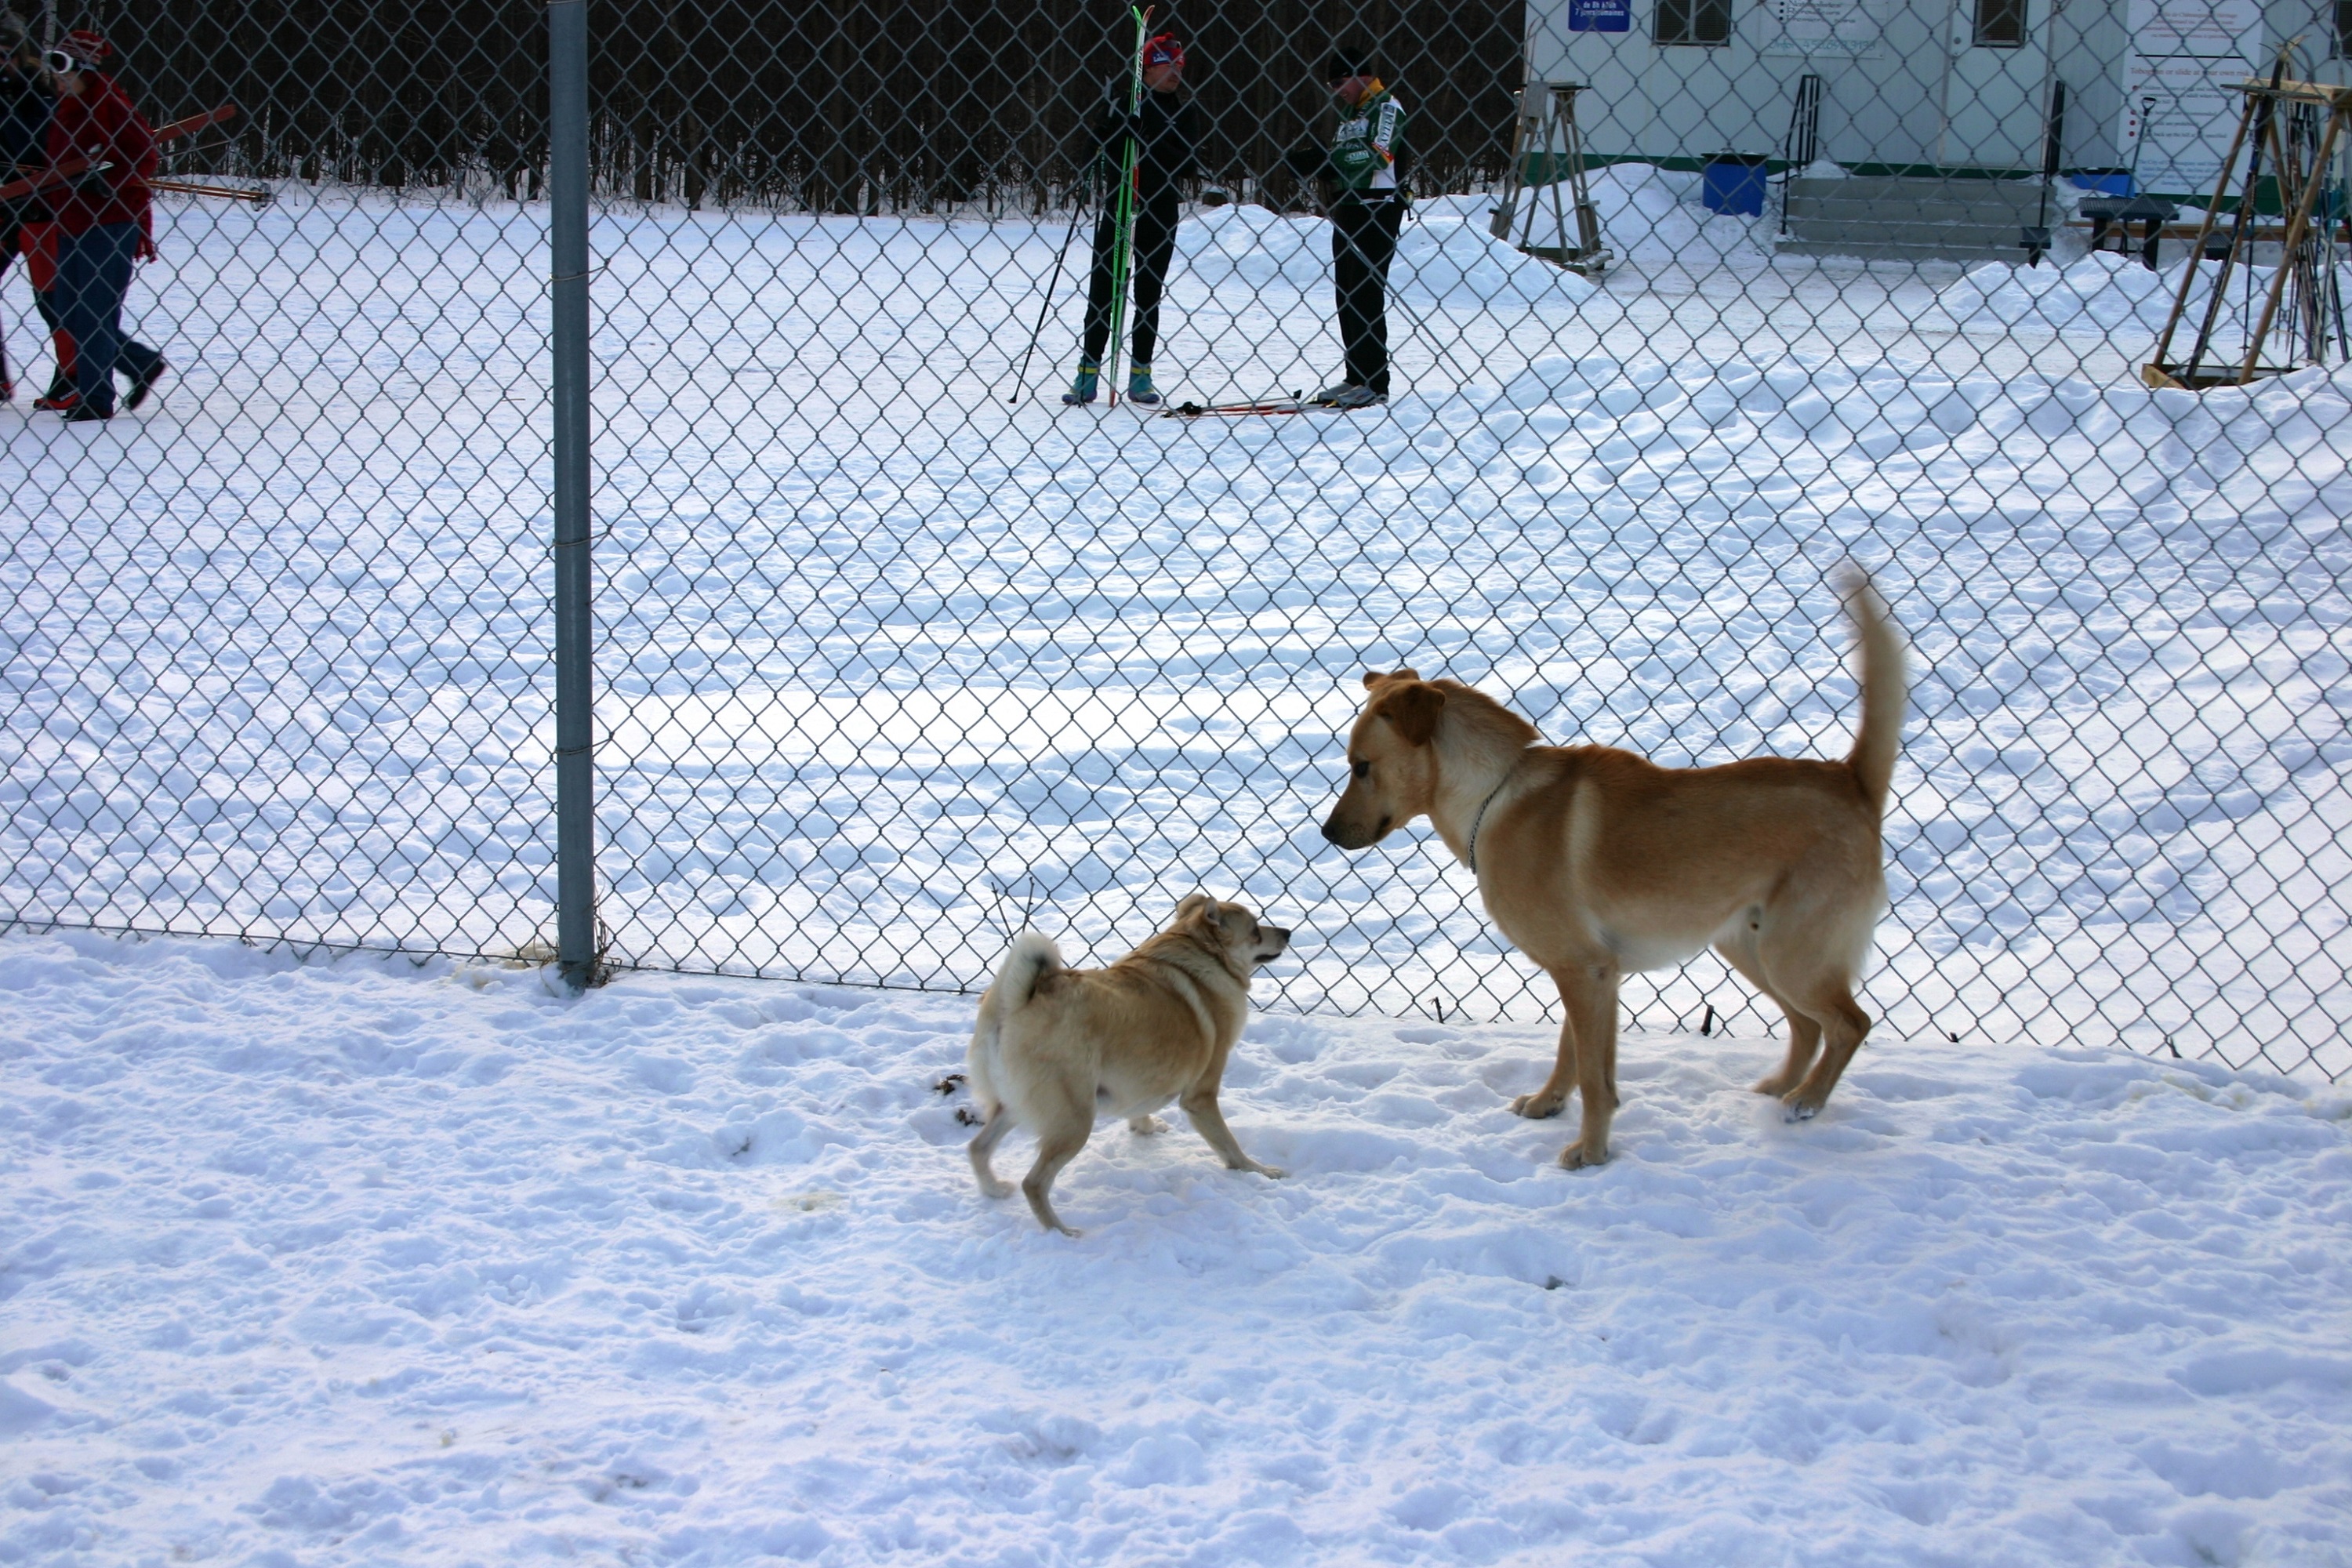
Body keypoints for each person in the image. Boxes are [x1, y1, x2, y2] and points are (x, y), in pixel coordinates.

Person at [1063, 32, 1197, 407]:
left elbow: (1187, 162)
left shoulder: (1183, 112)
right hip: (1121, 208)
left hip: (1160, 211)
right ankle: (1087, 374)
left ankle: (1141, 375)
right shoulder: (1125, 103)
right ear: (1147, 69)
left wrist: (1150, 138)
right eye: (1167, 66)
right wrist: (1114, 132)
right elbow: (1093, 152)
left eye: (1180, 66)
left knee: (1148, 294)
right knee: (1103, 291)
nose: (1176, 73)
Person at [42, 29, 164, 422]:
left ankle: (96, 398)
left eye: (65, 72)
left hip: (110, 223)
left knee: (94, 312)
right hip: (71, 222)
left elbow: (145, 156)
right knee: (66, 310)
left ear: (85, 70)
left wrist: (108, 180)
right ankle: (140, 362)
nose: (59, 81)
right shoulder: (67, 108)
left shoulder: (109, 103)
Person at [1289, 47, 1406, 410]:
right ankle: (1356, 375)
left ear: (1361, 76)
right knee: (1347, 292)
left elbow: (1378, 154)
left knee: (1367, 292)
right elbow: (1343, 158)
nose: (1337, 90)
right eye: (1332, 85)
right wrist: (1319, 164)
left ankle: (1375, 381)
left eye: (1341, 82)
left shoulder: (1387, 106)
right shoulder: (1351, 113)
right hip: (1350, 207)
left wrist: (1329, 160)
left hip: (1378, 207)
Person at [0, 13, 48, 401]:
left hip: (37, 208)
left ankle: (132, 362)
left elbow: (31, 147)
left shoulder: (38, 92)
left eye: (5, 56)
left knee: (55, 300)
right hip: (6, 205)